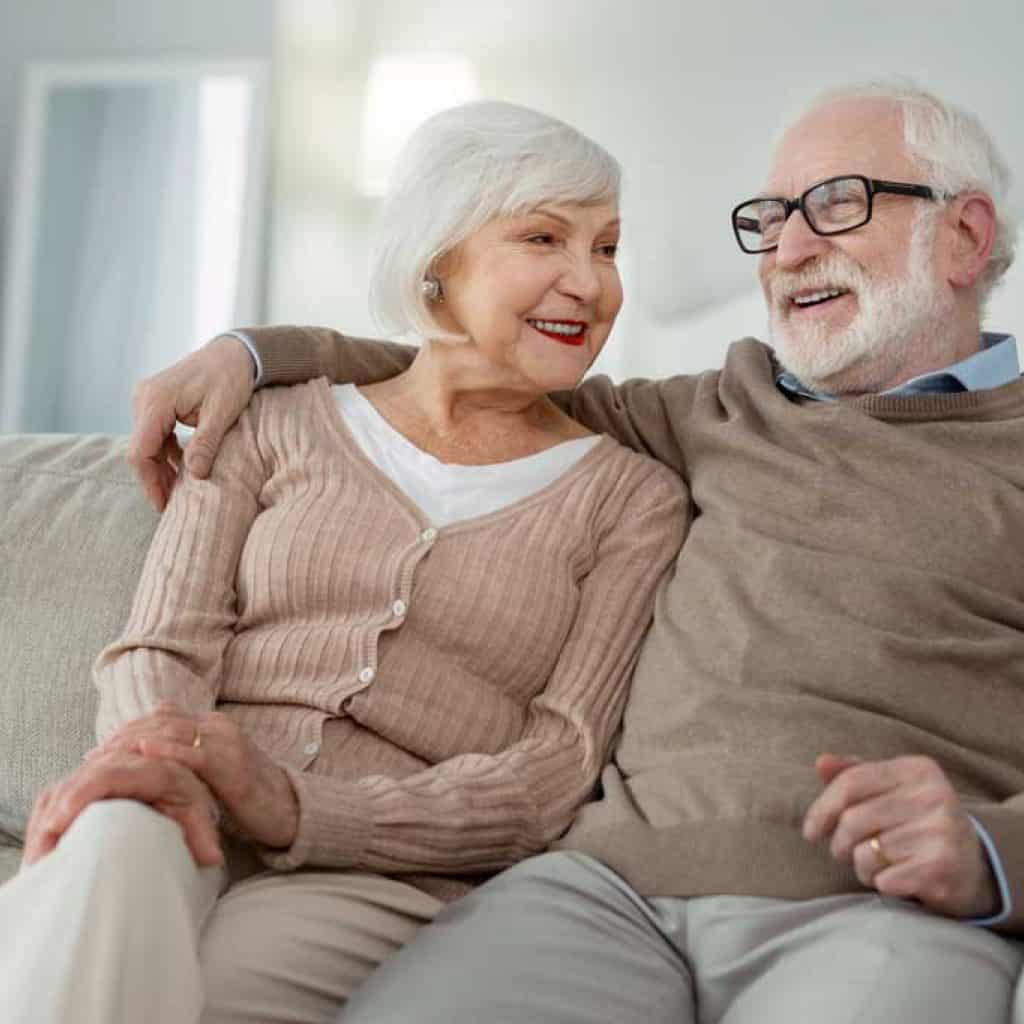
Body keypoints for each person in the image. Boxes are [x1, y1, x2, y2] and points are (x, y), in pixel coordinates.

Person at [129, 78, 1024, 1023]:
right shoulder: (716, 408)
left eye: (837, 205)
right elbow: (459, 368)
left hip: (875, 912)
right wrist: (250, 353)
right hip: (602, 891)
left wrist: (991, 852)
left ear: (963, 235)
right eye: (770, 218)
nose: (790, 249)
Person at [0, 101, 686, 1024]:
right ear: (437, 262)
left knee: (215, 996)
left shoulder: (632, 499)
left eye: (607, 248)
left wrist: (296, 808)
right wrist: (155, 755)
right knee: (111, 851)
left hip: (383, 867)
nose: (589, 282)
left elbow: (552, 769)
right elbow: (162, 643)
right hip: (182, 792)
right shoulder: (273, 423)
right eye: (544, 238)